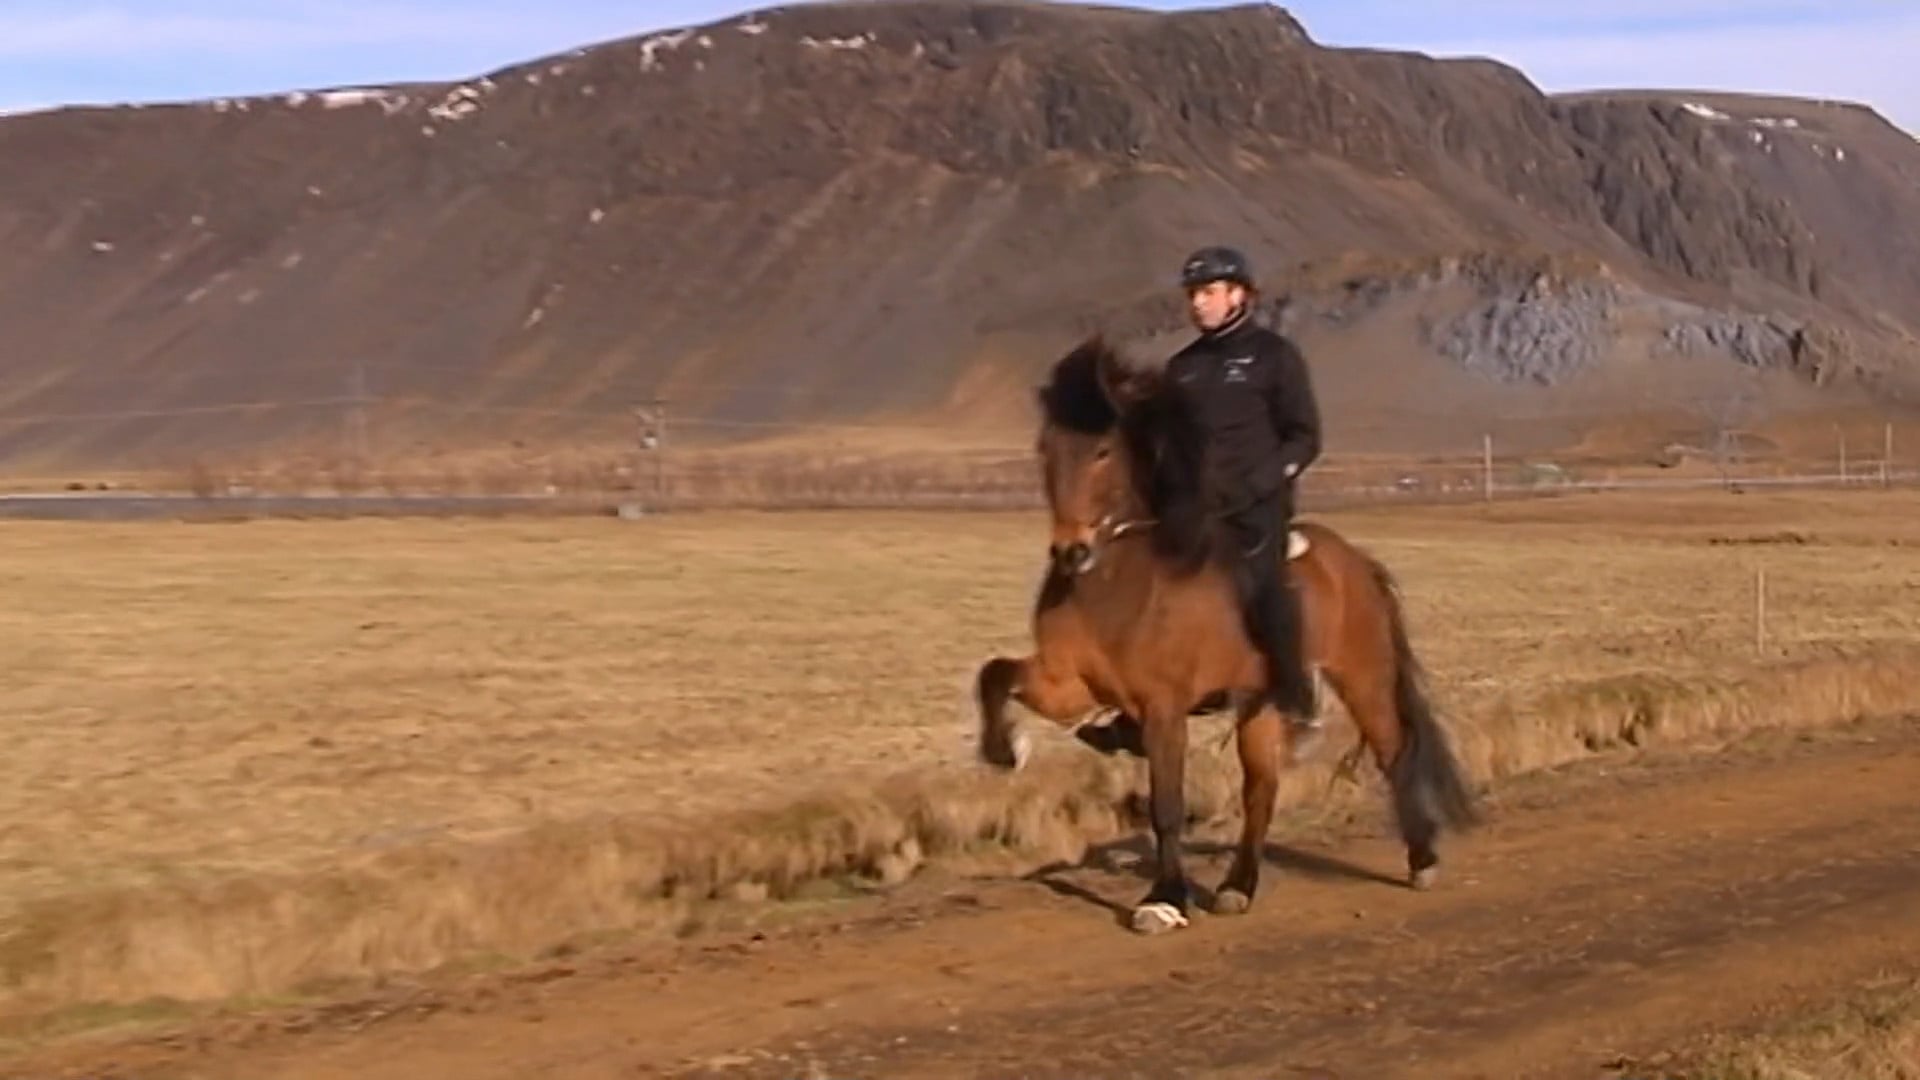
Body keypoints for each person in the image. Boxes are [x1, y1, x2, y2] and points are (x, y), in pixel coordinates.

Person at [1165, 245, 1323, 731]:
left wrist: (1261, 482)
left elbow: (1304, 436)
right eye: (1193, 294)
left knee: (1262, 583)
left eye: (1209, 292)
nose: (1198, 303)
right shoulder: (1181, 368)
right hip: (1194, 508)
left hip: (1259, 504)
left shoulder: (1275, 357)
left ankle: (1294, 692)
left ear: (1239, 295)